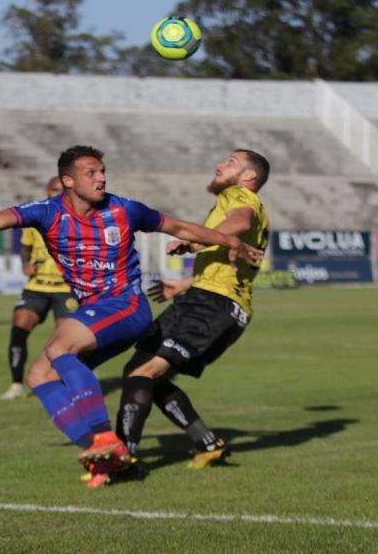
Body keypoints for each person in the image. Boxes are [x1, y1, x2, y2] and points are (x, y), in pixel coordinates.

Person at [0, 145, 255, 488]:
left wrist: (229, 242)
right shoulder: (46, 212)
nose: (101, 178)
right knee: (40, 376)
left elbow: (181, 228)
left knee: (61, 348)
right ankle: (101, 454)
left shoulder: (125, 209)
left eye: (102, 171)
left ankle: (105, 438)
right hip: (94, 309)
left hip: (126, 305)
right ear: (68, 181)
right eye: (92, 173)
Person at [111, 149, 271, 479]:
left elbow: (239, 222)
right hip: (214, 302)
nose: (219, 164)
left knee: (143, 373)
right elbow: (229, 261)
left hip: (210, 306)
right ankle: (207, 443)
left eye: (230, 162)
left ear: (248, 177)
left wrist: (195, 243)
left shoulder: (238, 196)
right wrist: (184, 284)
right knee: (141, 371)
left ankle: (123, 456)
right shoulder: (241, 201)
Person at [0, 177, 73, 401]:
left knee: (66, 339)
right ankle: (16, 384)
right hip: (37, 285)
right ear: (47, 191)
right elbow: (25, 247)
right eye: (53, 190)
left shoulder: (78, 217)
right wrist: (25, 263)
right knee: (19, 328)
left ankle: (69, 380)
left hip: (67, 288)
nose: (55, 193)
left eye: (60, 190)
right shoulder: (36, 215)